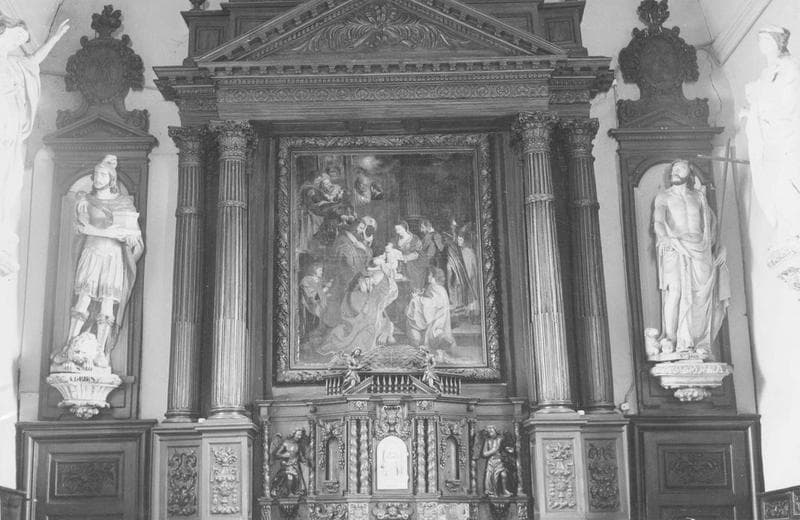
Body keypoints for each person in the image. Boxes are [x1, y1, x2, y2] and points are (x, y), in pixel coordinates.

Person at [53, 156, 144, 365]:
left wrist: (130, 237)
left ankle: (101, 352)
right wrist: (111, 233)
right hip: (92, 252)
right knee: (82, 300)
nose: (98, 178)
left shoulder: (124, 203)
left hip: (113, 257)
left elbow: (133, 234)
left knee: (107, 304)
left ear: (111, 179)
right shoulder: (85, 200)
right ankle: (69, 346)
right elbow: (82, 227)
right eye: (96, 174)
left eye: (103, 174)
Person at [0, 16, 70, 273]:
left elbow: (33, 61)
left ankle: (3, 242)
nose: (20, 41)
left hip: (10, 135)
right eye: (17, 36)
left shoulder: (15, 64)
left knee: (11, 186)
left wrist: (55, 38)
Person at [652, 160, 730, 357]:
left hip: (701, 249)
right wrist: (665, 238)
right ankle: (673, 340)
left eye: (680, 168)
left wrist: (720, 248)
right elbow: (658, 222)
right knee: (675, 291)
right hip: (676, 246)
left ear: (689, 172)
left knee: (702, 296)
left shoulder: (699, 197)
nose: (675, 171)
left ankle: (701, 342)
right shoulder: (664, 197)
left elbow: (710, 226)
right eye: (674, 168)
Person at [741, 26, 800, 239]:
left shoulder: (789, 66)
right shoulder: (765, 73)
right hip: (768, 137)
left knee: (786, 178)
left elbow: (790, 100)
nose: (761, 44)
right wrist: (751, 113)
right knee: (773, 182)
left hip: (784, 133)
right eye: (760, 40)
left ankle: (795, 228)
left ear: (777, 42)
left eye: (766, 39)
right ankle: (788, 228)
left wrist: (763, 105)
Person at [405, 267, 455, 352]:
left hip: (438, 317)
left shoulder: (434, 287)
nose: (427, 277)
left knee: (413, 304)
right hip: (440, 315)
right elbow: (432, 300)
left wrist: (417, 299)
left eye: (429, 275)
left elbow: (432, 304)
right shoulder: (440, 288)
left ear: (434, 276)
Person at [477, 425, 514, 497]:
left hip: (500, 460)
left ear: (495, 431)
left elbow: (506, 447)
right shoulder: (487, 441)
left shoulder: (500, 439)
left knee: (503, 475)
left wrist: (508, 449)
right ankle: (491, 492)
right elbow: (484, 454)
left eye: (492, 430)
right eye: (489, 430)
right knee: (490, 477)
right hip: (491, 461)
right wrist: (493, 451)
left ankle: (504, 490)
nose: (490, 431)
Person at [271, 429, 308, 497]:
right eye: (298, 435)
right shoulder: (286, 443)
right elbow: (277, 454)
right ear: (294, 434)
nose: (299, 437)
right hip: (286, 464)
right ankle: (289, 492)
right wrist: (285, 455)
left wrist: (305, 461)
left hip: (295, 465)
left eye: (300, 435)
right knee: (289, 476)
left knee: (297, 478)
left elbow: (300, 456)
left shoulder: (297, 445)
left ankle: (294, 492)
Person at [299, 262, 330, 336]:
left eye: (322, 270)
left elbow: (319, 293)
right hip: (309, 306)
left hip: (317, 305)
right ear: (314, 270)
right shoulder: (306, 280)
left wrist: (325, 293)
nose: (321, 272)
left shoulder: (319, 280)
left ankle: (320, 328)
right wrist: (323, 291)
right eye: (320, 270)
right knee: (311, 324)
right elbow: (310, 295)